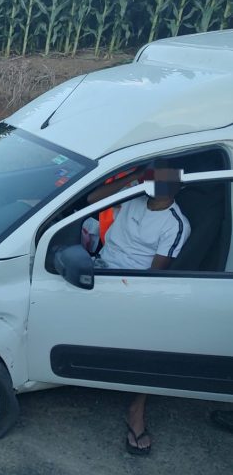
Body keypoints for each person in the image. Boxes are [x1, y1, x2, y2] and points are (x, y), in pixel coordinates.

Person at [86, 164, 191, 455]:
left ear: (180, 186)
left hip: (130, 285)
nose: (158, 185)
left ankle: (136, 409)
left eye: (167, 180)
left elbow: (154, 276)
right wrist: (135, 177)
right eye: (155, 177)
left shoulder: (175, 224)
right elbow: (93, 201)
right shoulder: (134, 195)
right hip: (99, 266)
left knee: (154, 340)